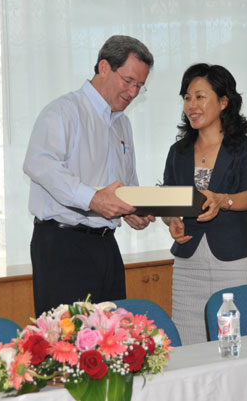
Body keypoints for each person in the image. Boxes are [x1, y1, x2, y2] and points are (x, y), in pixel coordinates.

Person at [23, 35, 155, 317]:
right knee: (67, 339)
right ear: (104, 67)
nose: (133, 92)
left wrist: (133, 210)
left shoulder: (122, 125)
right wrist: (93, 199)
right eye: (128, 81)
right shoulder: (63, 111)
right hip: (63, 245)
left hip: (107, 246)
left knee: (114, 335)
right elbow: (40, 164)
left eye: (140, 86)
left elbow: (125, 184)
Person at [162, 63, 247, 344]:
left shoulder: (245, 148)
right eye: (187, 98)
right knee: (188, 342)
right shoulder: (178, 152)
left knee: (238, 341)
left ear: (223, 102)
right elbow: (169, 202)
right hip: (188, 262)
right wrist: (172, 220)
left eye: (200, 97)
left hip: (235, 259)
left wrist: (222, 200)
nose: (191, 105)